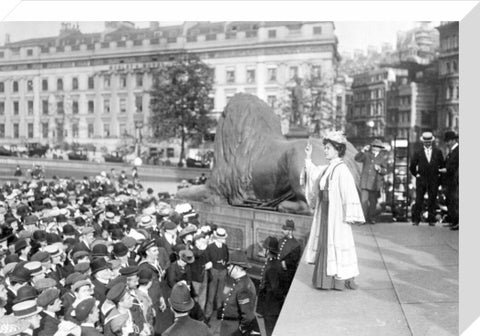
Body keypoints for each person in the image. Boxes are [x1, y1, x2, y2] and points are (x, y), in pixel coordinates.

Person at [304, 131, 364, 290]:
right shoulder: (328, 167)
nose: (325, 151)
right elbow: (313, 174)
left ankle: (337, 281)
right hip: (325, 212)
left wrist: (351, 214)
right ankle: (325, 280)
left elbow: (349, 192)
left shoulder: (342, 169)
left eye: (328, 148)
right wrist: (308, 158)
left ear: (337, 150)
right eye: (325, 148)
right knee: (325, 243)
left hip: (336, 215)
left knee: (336, 243)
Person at [219, 251, 260, 336]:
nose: (228, 268)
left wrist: (241, 330)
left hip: (233, 330)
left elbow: (248, 316)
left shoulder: (243, 287)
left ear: (237, 268)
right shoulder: (241, 282)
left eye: (230, 265)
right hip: (229, 327)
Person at [409, 132, 445, 226]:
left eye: (429, 142)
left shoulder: (438, 152)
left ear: (431, 141)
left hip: (434, 179)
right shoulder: (418, 152)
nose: (427, 143)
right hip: (421, 179)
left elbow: (442, 165)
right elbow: (412, 166)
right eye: (426, 142)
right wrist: (416, 174)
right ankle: (416, 220)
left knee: (432, 200)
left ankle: (431, 220)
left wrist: (439, 177)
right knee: (419, 200)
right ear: (423, 142)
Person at [354, 139, 388, 224]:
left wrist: (380, 169)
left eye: (377, 147)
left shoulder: (382, 157)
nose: (375, 148)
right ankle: (363, 218)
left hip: (375, 183)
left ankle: (372, 218)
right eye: (374, 146)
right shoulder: (367, 154)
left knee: (373, 202)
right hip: (365, 182)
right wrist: (362, 151)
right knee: (363, 201)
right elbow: (357, 159)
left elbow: (385, 170)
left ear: (380, 148)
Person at [255, 237, 283, 336]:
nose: (262, 250)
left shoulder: (272, 267)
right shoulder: (273, 263)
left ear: (268, 251)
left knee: (269, 331)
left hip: (271, 307)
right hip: (271, 305)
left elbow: (275, 288)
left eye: (264, 248)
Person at [278, 219, 301, 295]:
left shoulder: (295, 244)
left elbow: (294, 260)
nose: (282, 231)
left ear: (290, 231)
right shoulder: (281, 240)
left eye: (284, 229)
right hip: (278, 272)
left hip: (287, 274)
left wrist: (284, 263)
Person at [442, 131, 459, 231]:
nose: (447, 143)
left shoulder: (457, 150)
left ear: (453, 140)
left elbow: (454, 166)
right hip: (449, 181)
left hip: (454, 180)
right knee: (450, 201)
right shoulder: (452, 151)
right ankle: (453, 220)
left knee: (454, 201)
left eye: (448, 141)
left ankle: (457, 222)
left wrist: (446, 169)